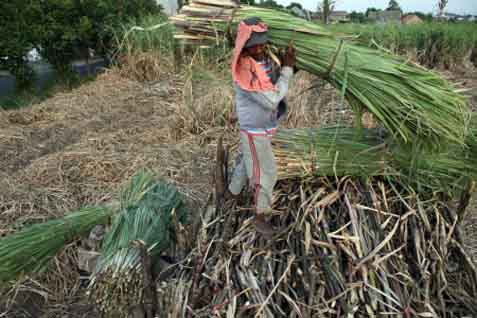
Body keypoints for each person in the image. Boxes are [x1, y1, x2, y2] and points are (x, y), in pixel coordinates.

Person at [225, 17, 296, 235]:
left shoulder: (264, 58)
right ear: (244, 45)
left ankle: (231, 193)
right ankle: (260, 215)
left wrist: (287, 67)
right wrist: (287, 70)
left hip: (264, 126)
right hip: (255, 131)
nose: (260, 47)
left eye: (262, 42)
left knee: (247, 162)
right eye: (254, 44)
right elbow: (271, 99)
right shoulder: (245, 69)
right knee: (266, 172)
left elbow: (273, 81)